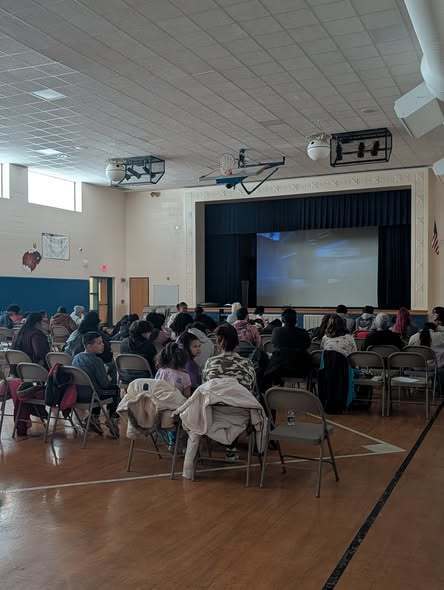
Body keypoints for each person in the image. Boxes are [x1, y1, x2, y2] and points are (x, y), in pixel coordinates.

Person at [72, 332, 119, 437]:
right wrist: (109, 377)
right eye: (99, 343)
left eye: (102, 342)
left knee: (96, 388)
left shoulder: (76, 357)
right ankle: (112, 419)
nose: (103, 345)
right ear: (89, 346)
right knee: (115, 389)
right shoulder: (96, 360)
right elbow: (105, 384)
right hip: (92, 395)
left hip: (78, 394)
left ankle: (93, 417)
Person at [203, 323, 256, 393]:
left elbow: (204, 387)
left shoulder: (210, 362)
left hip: (215, 402)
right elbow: (251, 389)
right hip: (241, 402)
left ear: (218, 343)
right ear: (237, 342)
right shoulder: (247, 363)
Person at [267, 308, 311, 381]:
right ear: (296, 320)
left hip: (279, 369)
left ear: (282, 320)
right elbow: (307, 346)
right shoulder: (303, 333)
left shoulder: (276, 331)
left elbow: (274, 344)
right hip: (300, 370)